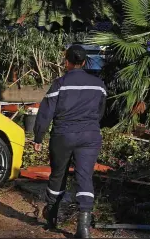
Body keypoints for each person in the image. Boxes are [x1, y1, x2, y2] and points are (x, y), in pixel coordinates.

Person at [31, 44, 107, 238]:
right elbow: (100, 112)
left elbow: (45, 112)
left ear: (67, 62)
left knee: (58, 175)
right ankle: (83, 228)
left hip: (63, 136)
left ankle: (51, 216)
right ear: (83, 62)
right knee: (84, 177)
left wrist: (38, 137)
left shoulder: (60, 84)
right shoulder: (99, 85)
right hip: (90, 136)